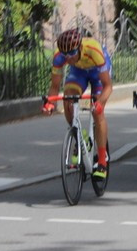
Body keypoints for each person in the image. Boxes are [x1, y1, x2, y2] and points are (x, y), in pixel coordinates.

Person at [43, 28, 113, 178]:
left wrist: (99, 103)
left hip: (98, 72)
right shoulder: (59, 56)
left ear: (80, 47)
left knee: (97, 112)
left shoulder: (93, 49)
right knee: (68, 99)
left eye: (72, 53)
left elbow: (108, 86)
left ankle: (102, 161)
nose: (68, 58)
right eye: (65, 55)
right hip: (79, 73)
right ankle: (80, 136)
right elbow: (54, 87)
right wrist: (50, 104)